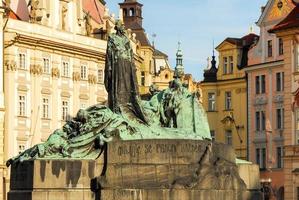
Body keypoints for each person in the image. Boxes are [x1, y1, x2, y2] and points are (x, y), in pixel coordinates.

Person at [104, 20, 148, 124]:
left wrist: (132, 66)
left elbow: (130, 54)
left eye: (124, 25)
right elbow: (109, 53)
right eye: (122, 25)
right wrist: (110, 67)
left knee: (128, 85)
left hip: (127, 65)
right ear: (117, 27)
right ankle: (118, 106)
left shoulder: (126, 39)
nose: (123, 27)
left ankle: (128, 105)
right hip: (117, 64)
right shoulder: (112, 38)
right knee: (118, 85)